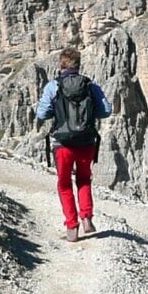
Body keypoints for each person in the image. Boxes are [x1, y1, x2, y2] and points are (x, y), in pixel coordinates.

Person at [35, 47, 113, 242]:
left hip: (62, 144)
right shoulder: (90, 86)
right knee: (84, 179)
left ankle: (72, 227)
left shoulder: (53, 86)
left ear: (60, 65)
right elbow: (106, 111)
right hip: (86, 141)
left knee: (64, 184)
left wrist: (58, 111)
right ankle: (86, 217)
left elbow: (42, 114)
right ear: (78, 66)